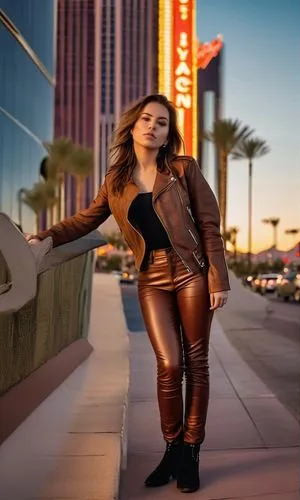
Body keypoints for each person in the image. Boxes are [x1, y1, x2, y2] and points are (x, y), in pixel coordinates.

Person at [27, 94, 230, 493]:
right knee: (169, 364)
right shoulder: (115, 182)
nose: (153, 127)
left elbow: (209, 224)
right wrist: (47, 238)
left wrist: (218, 278)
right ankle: (171, 447)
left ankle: (190, 453)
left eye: (163, 122)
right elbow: (86, 221)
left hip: (191, 272)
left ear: (169, 133)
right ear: (133, 126)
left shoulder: (183, 170)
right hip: (150, 276)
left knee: (196, 362)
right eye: (147, 119)